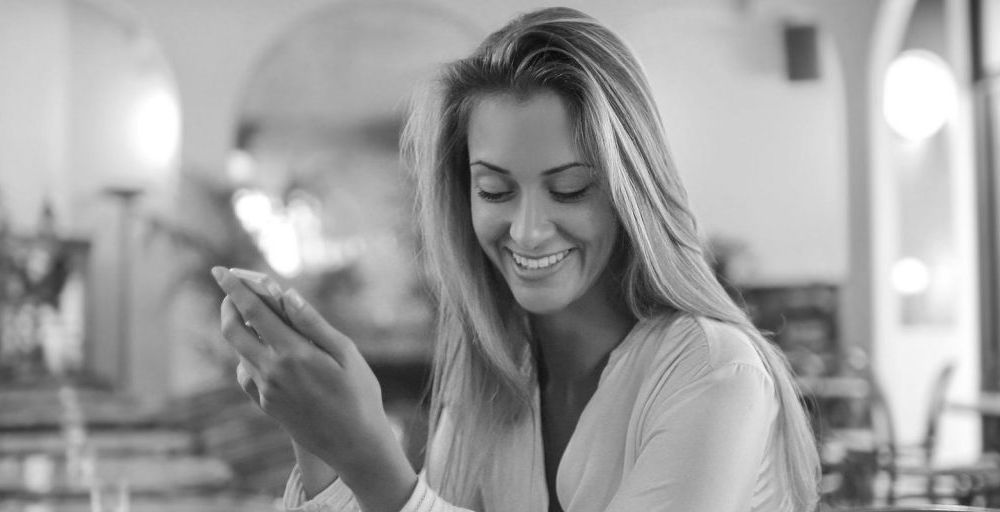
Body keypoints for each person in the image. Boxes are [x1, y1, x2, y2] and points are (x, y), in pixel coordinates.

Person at [211, 6, 821, 512]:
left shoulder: (713, 374)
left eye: (570, 189)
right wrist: (320, 443)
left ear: (630, 195)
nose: (527, 231)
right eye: (496, 191)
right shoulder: (495, 381)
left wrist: (370, 457)